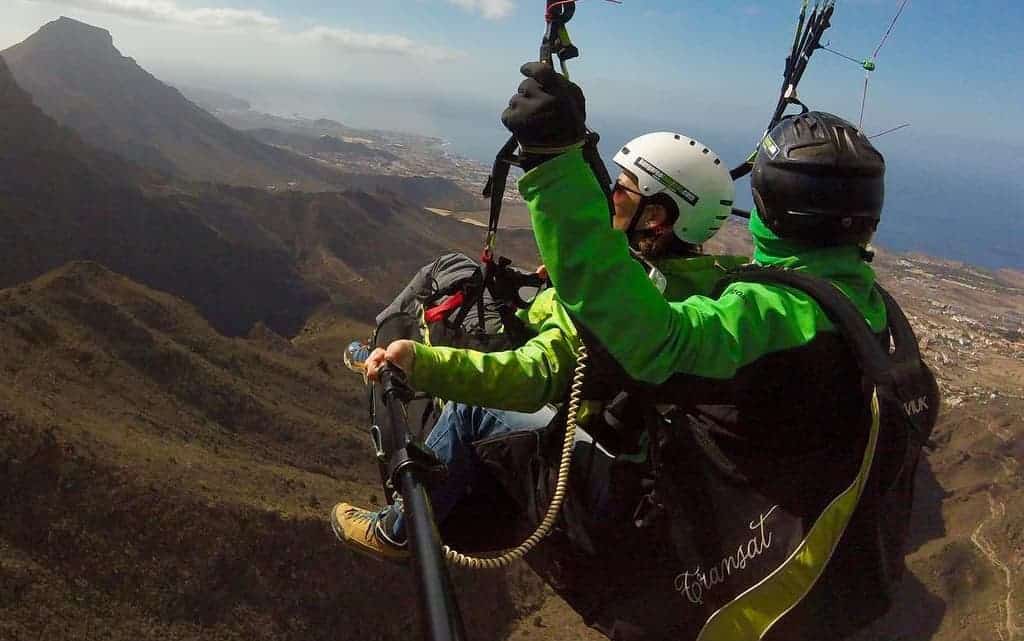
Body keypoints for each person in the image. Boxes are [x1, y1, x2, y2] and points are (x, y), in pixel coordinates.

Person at [499, 62, 936, 640]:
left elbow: (648, 340)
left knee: (491, 432)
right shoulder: (871, 309)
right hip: (819, 584)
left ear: (772, 211)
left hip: (719, 586)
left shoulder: (773, 315)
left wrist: (555, 163)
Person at [330, 126, 746, 562]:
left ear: (656, 217)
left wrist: (424, 362)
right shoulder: (710, 289)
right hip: (621, 444)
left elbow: (535, 374)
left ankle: (399, 530)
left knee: (471, 403)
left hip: (592, 459)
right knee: (456, 269)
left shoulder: (628, 303)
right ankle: (383, 354)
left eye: (622, 189)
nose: (610, 196)